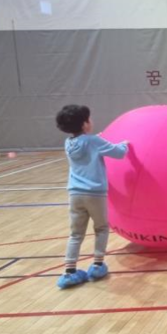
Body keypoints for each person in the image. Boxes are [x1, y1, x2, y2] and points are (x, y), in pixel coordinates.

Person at [55, 105, 129, 289]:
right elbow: (119, 153)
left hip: (75, 194)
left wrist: (98, 138)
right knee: (101, 228)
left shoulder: (69, 143)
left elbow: (87, 144)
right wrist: (124, 144)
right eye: (89, 119)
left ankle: (69, 272)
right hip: (94, 193)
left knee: (76, 234)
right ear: (84, 124)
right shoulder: (93, 141)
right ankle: (97, 265)